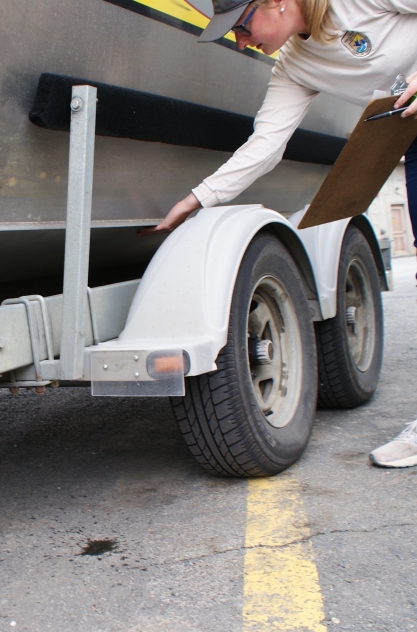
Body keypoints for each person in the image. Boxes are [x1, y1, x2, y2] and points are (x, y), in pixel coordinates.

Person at [140, 0, 417, 468]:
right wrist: (197, 199)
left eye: (243, 26)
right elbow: (265, 146)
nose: (241, 41)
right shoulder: (294, 66)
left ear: (277, 2)